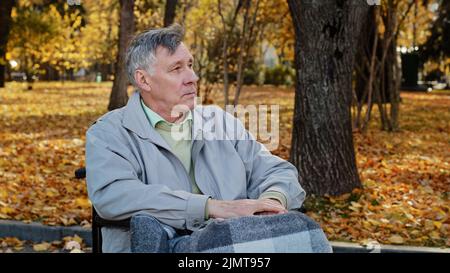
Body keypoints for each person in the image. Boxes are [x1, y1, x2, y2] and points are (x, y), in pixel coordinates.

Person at [85, 24, 331, 253]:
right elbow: (114, 195)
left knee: (307, 233)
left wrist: (270, 204)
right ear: (143, 80)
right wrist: (211, 207)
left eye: (190, 65)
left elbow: (277, 171)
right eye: (177, 68)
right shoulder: (109, 133)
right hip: (168, 243)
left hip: (240, 239)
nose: (193, 77)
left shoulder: (219, 121)